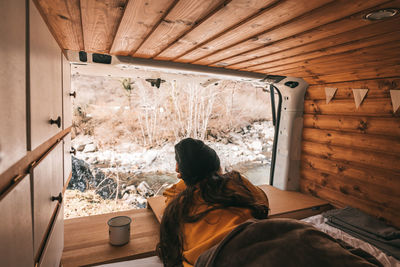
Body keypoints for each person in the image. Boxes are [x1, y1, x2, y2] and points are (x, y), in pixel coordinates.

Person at [157, 138, 269, 267]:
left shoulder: (178, 206)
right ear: (217, 166)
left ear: (179, 172)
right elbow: (263, 200)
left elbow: (170, 193)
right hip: (255, 247)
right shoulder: (237, 182)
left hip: (211, 260)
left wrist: (190, 179)